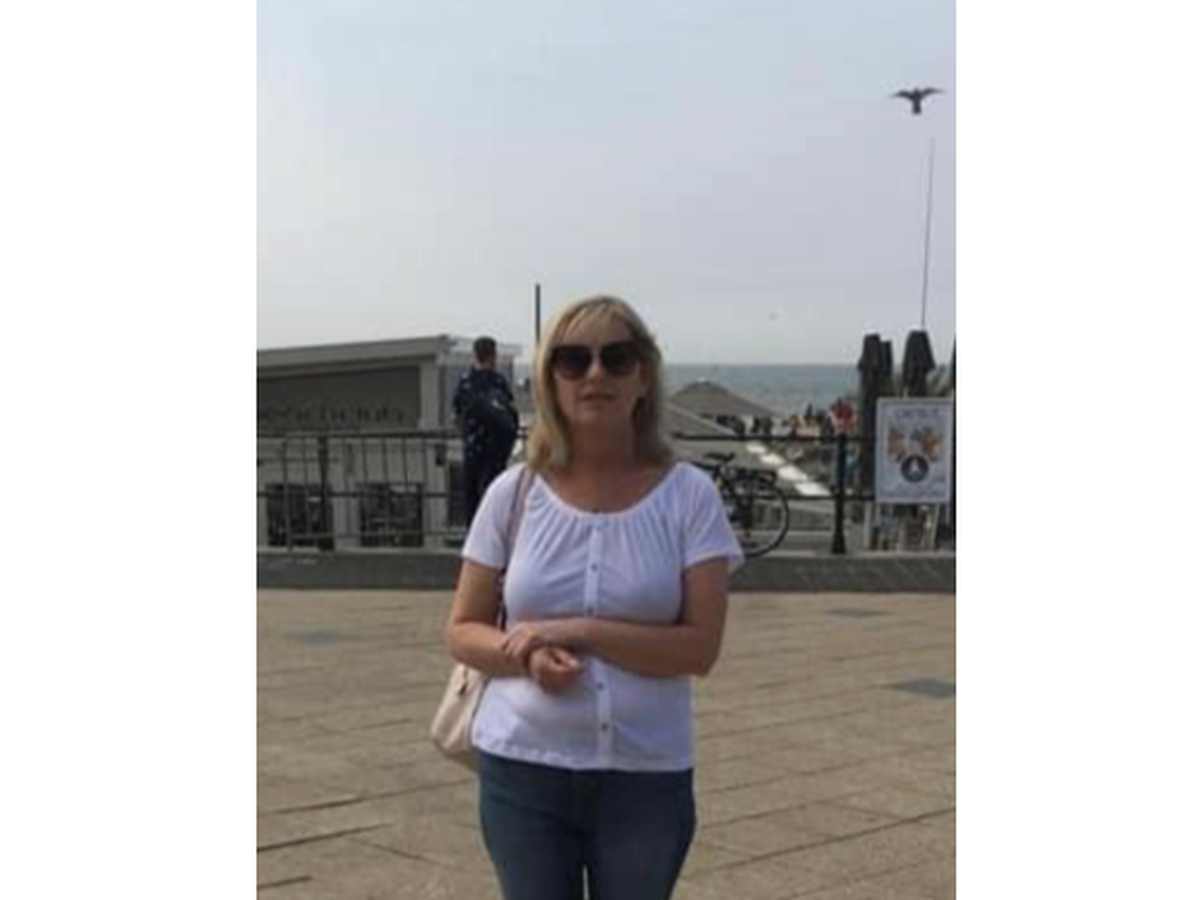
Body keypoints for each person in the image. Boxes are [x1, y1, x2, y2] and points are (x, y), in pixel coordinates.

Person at [444, 295, 744, 900]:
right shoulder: (513, 493)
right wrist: (527, 654)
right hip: (523, 769)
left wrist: (578, 630)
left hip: (645, 776)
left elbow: (699, 649)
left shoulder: (690, 497)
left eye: (617, 357)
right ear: (550, 379)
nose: (596, 374)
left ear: (644, 375)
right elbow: (463, 629)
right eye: (573, 359)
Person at [453, 336, 519, 524]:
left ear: (475, 354)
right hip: (496, 451)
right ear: (493, 355)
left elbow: (457, 416)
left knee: (472, 500)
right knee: (495, 499)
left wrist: (467, 433)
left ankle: (474, 537)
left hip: (472, 449)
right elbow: (510, 413)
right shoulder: (499, 382)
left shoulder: (465, 382)